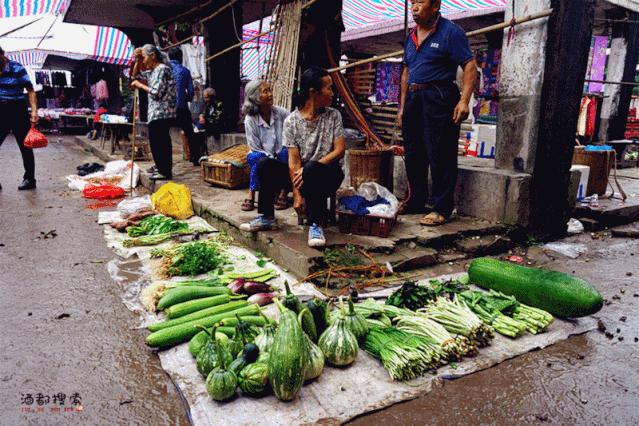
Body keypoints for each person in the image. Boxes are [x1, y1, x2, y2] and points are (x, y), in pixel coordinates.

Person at [396, 0, 477, 225]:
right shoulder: (411, 36)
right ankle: (416, 201)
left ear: (435, 5)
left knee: (440, 152)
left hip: (439, 96)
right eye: (413, 2)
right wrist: (402, 107)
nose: (414, 7)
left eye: (420, 2)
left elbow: (469, 65)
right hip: (413, 98)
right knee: (413, 152)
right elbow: (406, 71)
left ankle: (442, 208)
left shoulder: (451, 32)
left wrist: (464, 101)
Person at [285, 67, 345, 248]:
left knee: (311, 169)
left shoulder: (333, 115)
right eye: (329, 88)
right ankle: (266, 216)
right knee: (265, 165)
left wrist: (311, 167)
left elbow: (339, 150)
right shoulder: (291, 121)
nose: (332, 93)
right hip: (301, 176)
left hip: (329, 173)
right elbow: (293, 161)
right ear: (314, 92)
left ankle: (315, 224)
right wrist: (296, 195)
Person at [239, 80, 290, 228]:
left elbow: (291, 135)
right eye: (265, 91)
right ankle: (256, 199)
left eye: (270, 90)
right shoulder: (250, 119)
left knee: (286, 153)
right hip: (262, 156)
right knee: (258, 160)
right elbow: (254, 147)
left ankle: (282, 193)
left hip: (282, 156)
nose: (270, 94)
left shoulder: (281, 113)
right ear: (255, 98)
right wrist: (270, 158)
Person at [131, 44, 177, 180]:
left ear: (153, 56)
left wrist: (140, 86)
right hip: (155, 113)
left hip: (163, 112)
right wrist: (138, 60)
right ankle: (161, 168)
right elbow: (135, 76)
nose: (144, 61)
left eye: (144, 57)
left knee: (161, 142)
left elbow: (157, 92)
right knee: (156, 142)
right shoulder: (153, 71)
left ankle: (165, 171)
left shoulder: (162, 69)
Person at [0, 45, 38, 190]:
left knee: (25, 146)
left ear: (2, 54)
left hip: (17, 108)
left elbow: (30, 90)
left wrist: (34, 111)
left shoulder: (17, 68)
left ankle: (29, 179)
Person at [168, 48, 197, 166]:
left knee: (164, 133)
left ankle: (166, 161)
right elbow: (190, 92)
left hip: (167, 107)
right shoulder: (185, 71)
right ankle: (195, 157)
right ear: (181, 57)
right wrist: (187, 98)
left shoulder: (166, 70)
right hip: (181, 107)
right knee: (189, 132)